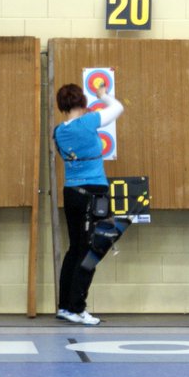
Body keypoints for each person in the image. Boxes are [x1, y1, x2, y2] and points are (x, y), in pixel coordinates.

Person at [54, 83, 124, 325]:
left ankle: (65, 306)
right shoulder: (88, 121)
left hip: (71, 193)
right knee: (91, 251)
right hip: (93, 193)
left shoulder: (58, 131)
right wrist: (103, 95)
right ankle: (77, 308)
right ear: (82, 102)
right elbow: (118, 107)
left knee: (75, 249)